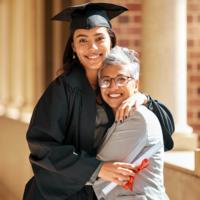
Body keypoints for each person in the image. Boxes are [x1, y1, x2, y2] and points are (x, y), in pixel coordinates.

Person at [23, 2, 174, 200]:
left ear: (111, 41)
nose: (92, 48)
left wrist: (144, 99)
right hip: (61, 195)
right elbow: (42, 145)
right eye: (82, 40)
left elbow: (165, 130)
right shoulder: (63, 89)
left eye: (99, 38)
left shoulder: (118, 84)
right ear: (73, 47)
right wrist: (97, 169)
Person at [92, 46, 169, 200]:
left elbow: (99, 166)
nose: (113, 87)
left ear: (135, 84)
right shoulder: (111, 117)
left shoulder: (137, 118)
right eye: (106, 80)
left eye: (121, 79)